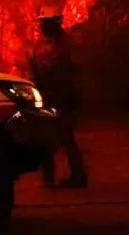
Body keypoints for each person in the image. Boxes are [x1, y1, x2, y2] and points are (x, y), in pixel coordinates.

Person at [29, 11, 88, 189]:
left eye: (44, 24)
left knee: (65, 138)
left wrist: (72, 98)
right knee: (47, 139)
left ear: (55, 24)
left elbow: (72, 75)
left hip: (64, 99)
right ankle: (50, 179)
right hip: (46, 97)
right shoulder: (40, 45)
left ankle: (77, 177)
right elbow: (35, 69)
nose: (41, 28)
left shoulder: (67, 45)